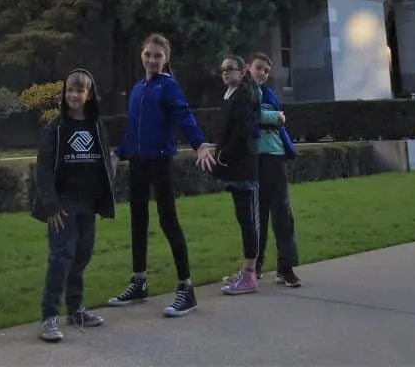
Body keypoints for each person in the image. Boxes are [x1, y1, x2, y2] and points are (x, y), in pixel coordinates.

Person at [108, 33, 215, 317]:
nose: (152, 60)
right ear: (141, 55)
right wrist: (118, 153)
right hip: (138, 165)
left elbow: (184, 116)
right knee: (138, 223)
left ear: (166, 58)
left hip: (161, 163)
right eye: (148, 55)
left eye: (158, 55)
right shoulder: (137, 89)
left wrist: (199, 143)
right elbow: (134, 133)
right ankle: (139, 282)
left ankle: (186, 289)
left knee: (169, 222)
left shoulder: (169, 87)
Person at [32, 68, 116, 343]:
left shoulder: (96, 125)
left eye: (80, 91)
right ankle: (49, 316)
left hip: (88, 204)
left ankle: (76, 309)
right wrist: (52, 205)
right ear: (64, 93)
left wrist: (104, 197)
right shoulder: (54, 128)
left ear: (89, 94)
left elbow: (104, 161)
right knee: (60, 259)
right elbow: (43, 170)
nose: (74, 95)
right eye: (70, 90)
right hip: (63, 205)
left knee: (82, 255)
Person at [248, 52, 301, 288]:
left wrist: (274, 118)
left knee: (282, 214)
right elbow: (249, 115)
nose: (262, 73)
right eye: (259, 68)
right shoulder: (244, 91)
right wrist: (276, 117)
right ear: (249, 68)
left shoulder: (268, 94)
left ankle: (285, 267)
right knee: (256, 216)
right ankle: (254, 267)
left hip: (276, 157)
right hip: (256, 159)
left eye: (266, 71)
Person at [214, 54, 261, 296]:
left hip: (243, 165)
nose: (225, 73)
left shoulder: (244, 96)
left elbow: (241, 133)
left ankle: (251, 274)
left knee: (247, 220)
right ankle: (247, 269)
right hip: (236, 165)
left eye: (230, 69)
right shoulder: (232, 95)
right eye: (223, 70)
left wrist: (222, 155)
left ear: (242, 72)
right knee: (243, 218)